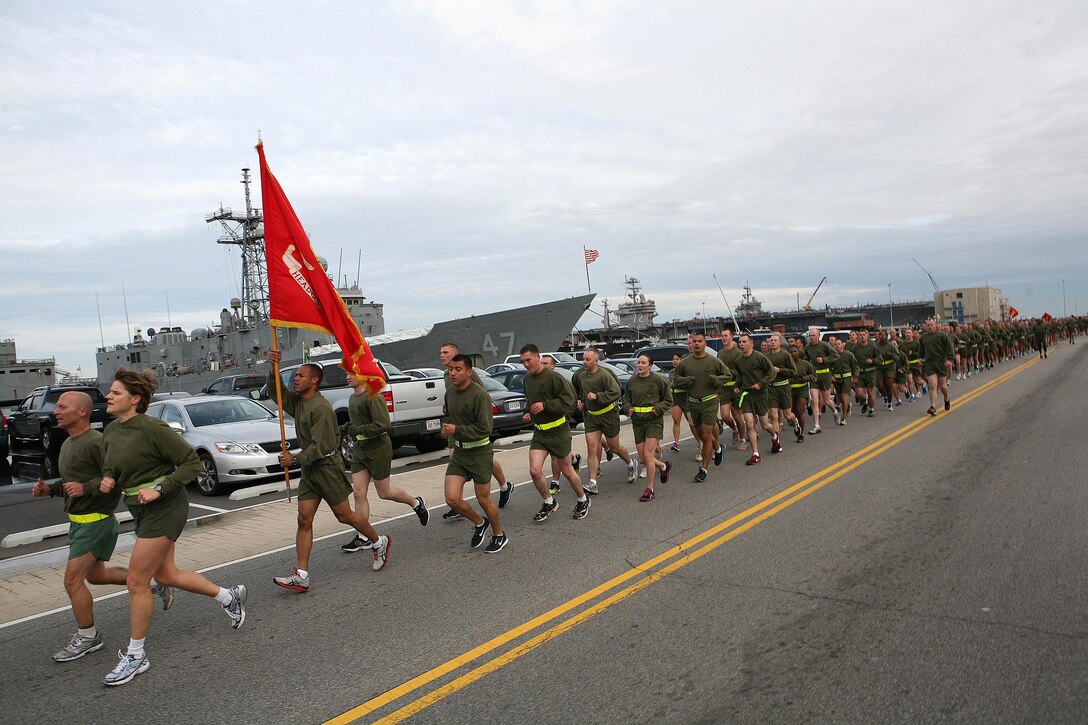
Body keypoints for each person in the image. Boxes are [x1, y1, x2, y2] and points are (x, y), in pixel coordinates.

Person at [97, 369, 246, 686]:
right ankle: (228, 597)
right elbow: (110, 460)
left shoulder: (154, 428)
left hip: (166, 506)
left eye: (116, 393)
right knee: (166, 575)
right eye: (110, 392)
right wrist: (110, 476)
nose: (109, 396)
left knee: (138, 581)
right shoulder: (111, 430)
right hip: (139, 507)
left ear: (135, 400)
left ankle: (136, 656)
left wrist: (161, 489)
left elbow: (191, 463)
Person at [33, 391, 172, 664]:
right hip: (78, 523)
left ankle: (88, 637)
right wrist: (49, 489)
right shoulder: (67, 444)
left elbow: (115, 480)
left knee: (72, 580)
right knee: (95, 576)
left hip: (95, 521)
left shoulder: (97, 442)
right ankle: (153, 582)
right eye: (57, 407)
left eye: (63, 407)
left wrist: (86, 488)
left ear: (82, 411)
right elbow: (71, 483)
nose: (56, 411)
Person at [266, 350, 390, 594]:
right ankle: (302, 575)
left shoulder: (321, 408)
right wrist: (273, 368)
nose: (295, 379)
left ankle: (379, 541)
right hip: (311, 470)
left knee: (344, 516)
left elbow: (321, 447)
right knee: (304, 519)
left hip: (326, 467)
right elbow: (277, 395)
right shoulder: (300, 402)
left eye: (300, 376)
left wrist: (294, 459)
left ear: (314, 380)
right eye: (294, 376)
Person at [340, 372, 429, 554]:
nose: (347, 377)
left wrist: (359, 428)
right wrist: (346, 426)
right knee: (358, 492)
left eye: (351, 373)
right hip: (360, 449)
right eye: (346, 373)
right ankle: (363, 536)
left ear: (363, 375)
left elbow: (384, 424)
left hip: (378, 447)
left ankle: (416, 503)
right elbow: (357, 421)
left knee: (384, 492)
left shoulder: (373, 396)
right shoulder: (352, 398)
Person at [438, 343, 512, 521]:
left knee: (487, 468)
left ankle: (504, 486)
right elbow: (453, 400)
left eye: (446, 353)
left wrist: (472, 411)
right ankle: (458, 503)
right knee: (454, 473)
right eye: (441, 353)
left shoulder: (471, 377)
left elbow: (478, 395)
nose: (442, 355)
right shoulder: (446, 376)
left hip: (475, 438)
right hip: (457, 431)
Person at [519, 344, 589, 521]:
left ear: (537, 357)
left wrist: (546, 405)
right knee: (535, 471)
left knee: (566, 470)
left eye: (528, 360)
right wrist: (527, 412)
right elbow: (531, 401)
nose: (526, 364)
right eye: (523, 362)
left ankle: (583, 498)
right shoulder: (527, 379)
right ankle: (549, 502)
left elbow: (570, 401)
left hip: (558, 431)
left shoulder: (553, 377)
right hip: (540, 434)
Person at [573, 348, 637, 494]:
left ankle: (630, 463)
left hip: (608, 415)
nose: (584, 362)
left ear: (596, 361)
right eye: (583, 359)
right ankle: (592, 483)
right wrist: (581, 402)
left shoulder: (604, 375)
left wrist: (598, 396)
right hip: (591, 417)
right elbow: (580, 392)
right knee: (592, 449)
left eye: (587, 359)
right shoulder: (581, 376)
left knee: (615, 448)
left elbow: (616, 392)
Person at [674, 331, 731, 481]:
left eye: (700, 341)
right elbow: (675, 379)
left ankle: (703, 470)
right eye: (694, 341)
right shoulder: (685, 363)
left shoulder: (714, 361)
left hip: (710, 401)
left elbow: (728, 376)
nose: (697, 344)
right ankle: (718, 449)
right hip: (692, 403)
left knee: (706, 435)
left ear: (705, 343)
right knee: (701, 433)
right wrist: (686, 381)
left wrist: (716, 380)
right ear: (691, 344)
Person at [624, 352, 673, 501]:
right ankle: (663, 466)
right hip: (638, 422)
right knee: (644, 459)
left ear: (650, 366)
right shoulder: (632, 381)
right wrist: (628, 408)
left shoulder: (657, 380)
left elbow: (668, 400)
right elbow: (626, 400)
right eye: (638, 362)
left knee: (648, 455)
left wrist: (657, 408)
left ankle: (649, 489)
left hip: (654, 421)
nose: (639, 365)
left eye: (643, 363)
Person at [731, 334, 778, 465]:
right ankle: (755, 454)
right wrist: (736, 386)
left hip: (761, 394)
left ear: (751, 343)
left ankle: (775, 436)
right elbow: (740, 376)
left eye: (744, 342)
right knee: (750, 424)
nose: (742, 344)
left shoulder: (759, 357)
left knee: (764, 425)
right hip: (746, 395)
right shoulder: (738, 361)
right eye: (740, 342)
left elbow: (771, 372)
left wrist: (761, 383)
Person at [764, 333, 801, 444]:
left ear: (780, 342)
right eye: (771, 341)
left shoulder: (785, 355)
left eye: (775, 340)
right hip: (771, 389)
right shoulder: (766, 356)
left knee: (787, 415)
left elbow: (793, 372)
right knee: (774, 416)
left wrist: (779, 370)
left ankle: (795, 423)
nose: (773, 342)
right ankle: (776, 441)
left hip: (783, 386)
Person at [803, 328, 838, 433]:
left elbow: (835, 356)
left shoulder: (824, 345)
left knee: (826, 400)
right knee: (814, 401)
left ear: (818, 335)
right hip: (814, 376)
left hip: (825, 374)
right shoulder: (808, 347)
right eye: (810, 336)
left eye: (813, 336)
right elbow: (806, 358)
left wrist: (824, 360)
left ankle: (835, 411)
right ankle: (817, 425)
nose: (811, 338)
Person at [918, 318, 954, 415]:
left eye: (931, 325)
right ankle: (933, 406)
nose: (929, 327)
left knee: (942, 385)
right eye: (928, 325)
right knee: (933, 385)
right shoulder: (923, 338)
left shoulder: (942, 336)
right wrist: (920, 358)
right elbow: (921, 350)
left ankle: (946, 398)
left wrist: (950, 359)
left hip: (941, 362)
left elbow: (949, 348)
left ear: (935, 325)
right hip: (929, 363)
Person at [715, 329, 744, 449]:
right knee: (725, 416)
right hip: (723, 388)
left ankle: (743, 438)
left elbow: (741, 373)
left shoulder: (737, 353)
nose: (724, 338)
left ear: (732, 337)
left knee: (737, 415)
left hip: (736, 387)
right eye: (722, 336)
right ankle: (734, 429)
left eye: (726, 336)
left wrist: (728, 371)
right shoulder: (720, 353)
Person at [787, 344, 815, 442]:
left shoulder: (805, 364)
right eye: (791, 352)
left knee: (799, 411)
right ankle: (796, 425)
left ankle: (801, 435)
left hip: (802, 389)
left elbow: (814, 375)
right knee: (791, 413)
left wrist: (807, 378)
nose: (793, 353)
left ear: (798, 353)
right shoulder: (786, 364)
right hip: (790, 390)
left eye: (795, 351)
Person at [829, 337, 860, 425]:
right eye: (835, 344)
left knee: (844, 396)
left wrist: (855, 376)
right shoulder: (832, 356)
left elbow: (855, 366)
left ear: (843, 345)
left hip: (846, 378)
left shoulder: (849, 354)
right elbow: (828, 367)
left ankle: (844, 417)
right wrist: (831, 376)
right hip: (836, 379)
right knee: (839, 397)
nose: (837, 346)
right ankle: (848, 406)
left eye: (839, 344)